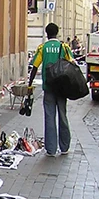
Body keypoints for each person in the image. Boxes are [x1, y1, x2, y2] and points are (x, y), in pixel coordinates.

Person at [28, 22, 76, 157]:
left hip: (48, 87)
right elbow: (72, 63)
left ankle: (51, 149)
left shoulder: (43, 48)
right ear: (57, 32)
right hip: (62, 87)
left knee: (49, 116)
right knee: (63, 115)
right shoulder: (64, 47)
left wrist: (30, 84)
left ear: (46, 33)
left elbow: (35, 66)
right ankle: (65, 146)